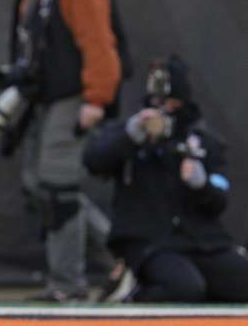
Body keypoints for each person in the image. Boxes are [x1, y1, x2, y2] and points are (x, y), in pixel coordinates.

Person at [1, 0, 125, 302]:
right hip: (48, 98)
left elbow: (99, 45)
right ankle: (127, 257)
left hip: (73, 97)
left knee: (58, 188)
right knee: (40, 184)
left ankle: (68, 285)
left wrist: (96, 99)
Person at [83, 56, 248, 303]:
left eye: (171, 104)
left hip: (203, 241)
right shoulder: (131, 136)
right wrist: (132, 136)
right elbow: (94, 160)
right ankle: (129, 297)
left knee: (237, 282)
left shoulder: (203, 142)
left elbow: (219, 200)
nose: (164, 111)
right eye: (158, 103)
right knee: (184, 288)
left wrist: (201, 185)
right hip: (151, 242)